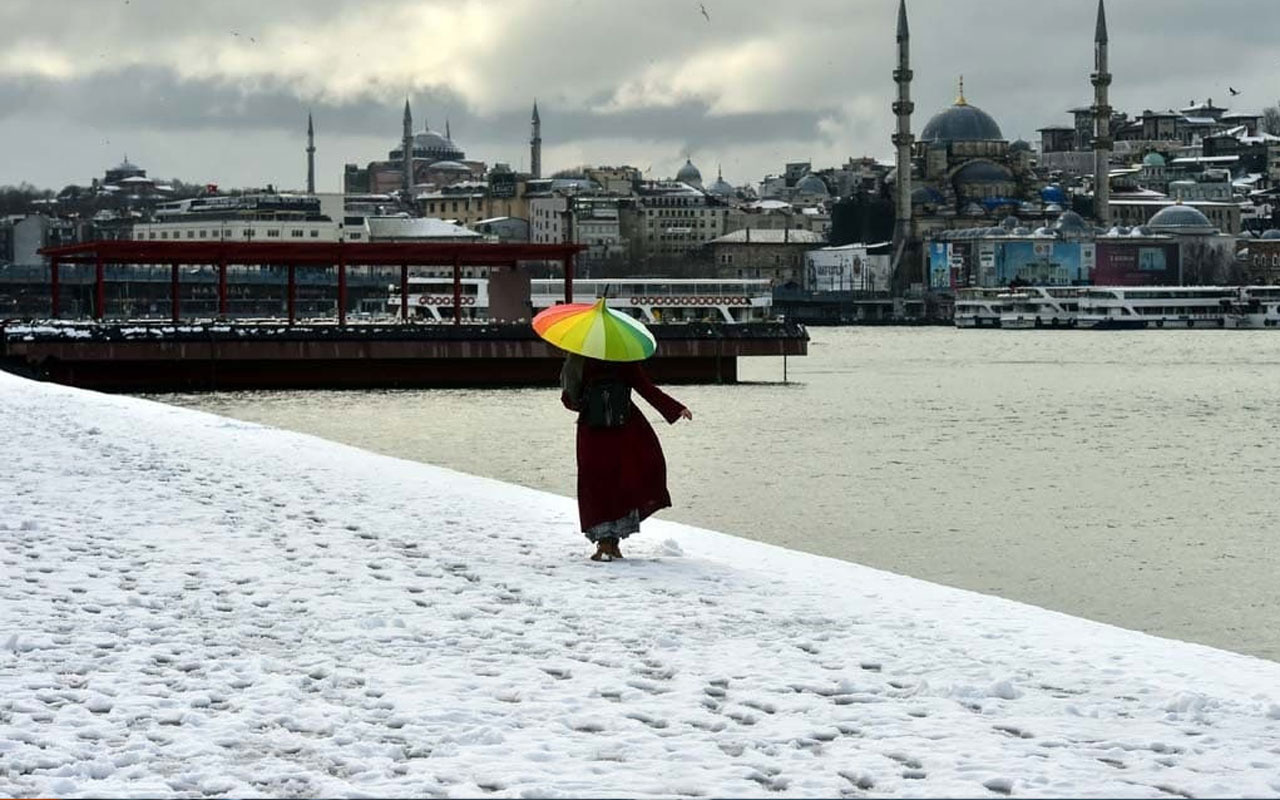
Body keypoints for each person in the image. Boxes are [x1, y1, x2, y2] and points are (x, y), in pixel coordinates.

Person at [560, 353, 692, 561]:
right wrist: (676, 408)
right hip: (625, 427)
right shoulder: (623, 356)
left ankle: (605, 543)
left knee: (596, 484)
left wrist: (588, 396)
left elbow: (569, 400)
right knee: (624, 481)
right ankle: (611, 543)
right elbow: (645, 387)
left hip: (592, 430)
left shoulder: (577, 358)